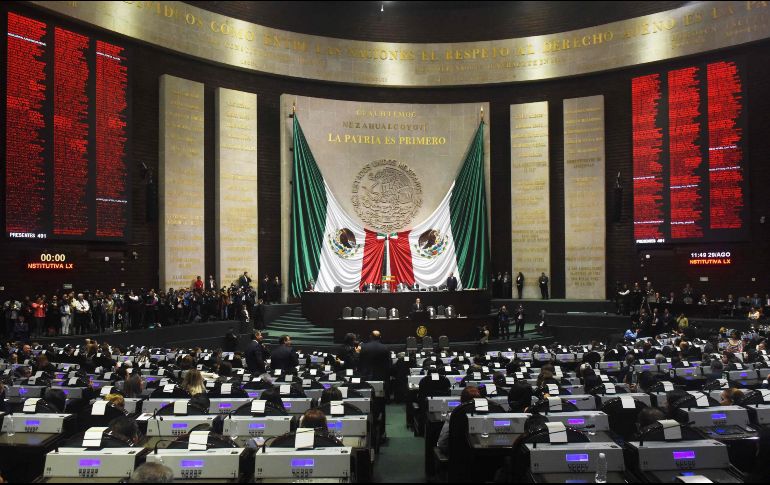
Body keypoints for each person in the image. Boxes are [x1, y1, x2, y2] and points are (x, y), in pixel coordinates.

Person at [437, 386, 481, 453]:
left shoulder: (454, 415)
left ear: (462, 399)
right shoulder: (484, 417)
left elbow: (442, 443)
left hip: (458, 457)